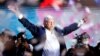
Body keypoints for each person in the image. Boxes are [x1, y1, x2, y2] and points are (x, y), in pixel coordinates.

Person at [7, 2, 89, 56]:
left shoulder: (58, 31)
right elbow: (27, 24)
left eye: (53, 22)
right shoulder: (39, 30)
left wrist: (81, 21)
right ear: (45, 23)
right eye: (50, 22)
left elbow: (70, 28)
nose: (52, 23)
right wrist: (17, 12)